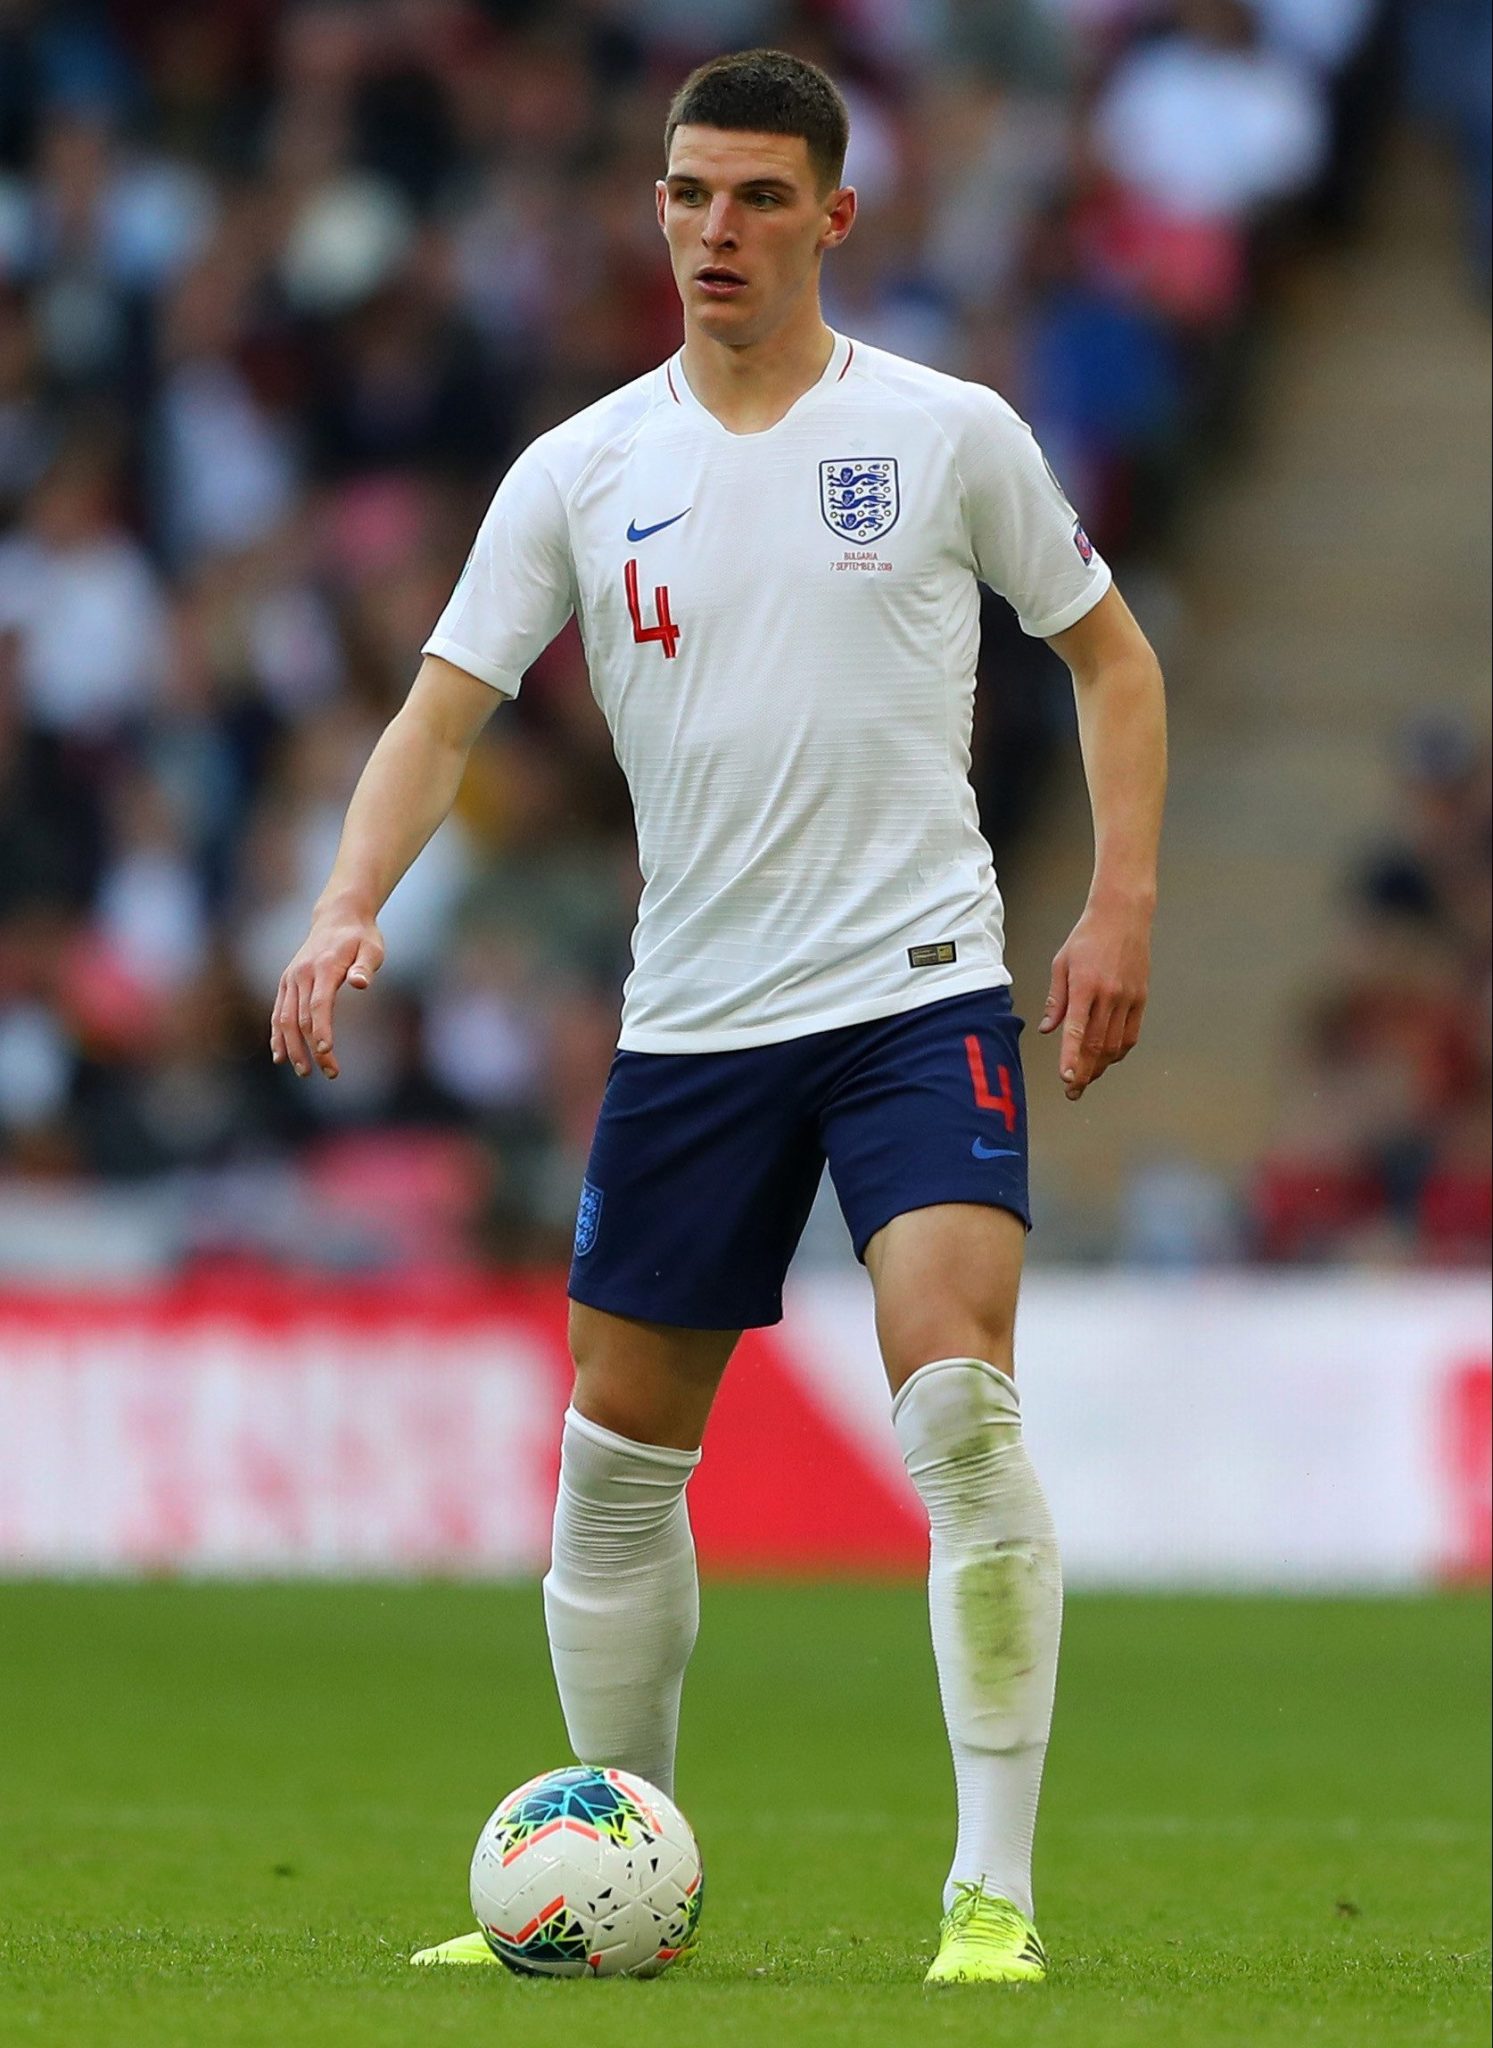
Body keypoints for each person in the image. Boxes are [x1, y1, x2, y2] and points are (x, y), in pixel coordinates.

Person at [270, 48, 1166, 1987]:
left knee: (959, 1402)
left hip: (917, 990)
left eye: (760, 197)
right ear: (654, 211)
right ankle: (621, 1871)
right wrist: (348, 906)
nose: (716, 231)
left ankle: (989, 1892)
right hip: (693, 1023)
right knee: (613, 1462)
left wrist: (1118, 896)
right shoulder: (583, 472)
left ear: (837, 215)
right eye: (688, 195)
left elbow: (1109, 657)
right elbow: (439, 715)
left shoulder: (945, 437)